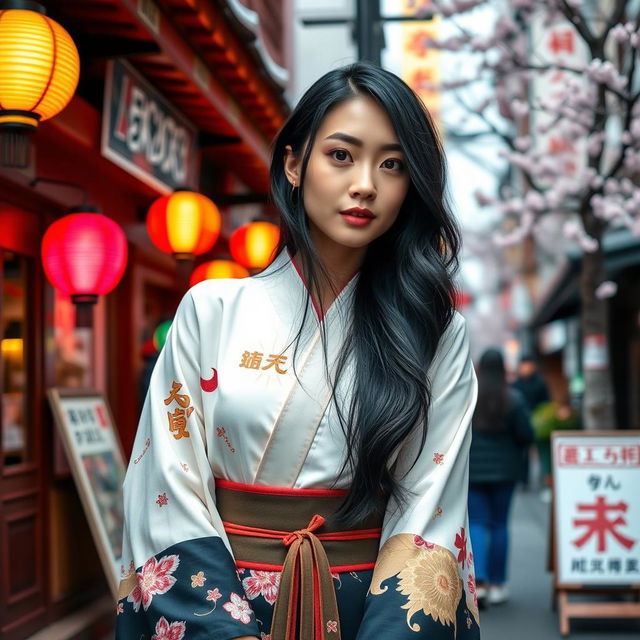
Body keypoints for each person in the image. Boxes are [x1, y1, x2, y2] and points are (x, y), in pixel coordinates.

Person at [116, 62, 480, 639]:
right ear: (293, 162)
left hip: (370, 609)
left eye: (393, 165)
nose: (365, 183)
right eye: (341, 155)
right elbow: (167, 481)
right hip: (221, 597)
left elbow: (428, 508)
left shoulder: (435, 332)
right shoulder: (210, 310)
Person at [468, 349, 533, 608]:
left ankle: (479, 584)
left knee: (477, 524)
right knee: (500, 525)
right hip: (506, 472)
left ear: (480, 369)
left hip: (473, 471)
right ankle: (497, 585)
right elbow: (526, 434)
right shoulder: (513, 398)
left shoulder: (469, 396)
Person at [511, 353, 550, 488]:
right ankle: (523, 480)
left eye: (528, 365)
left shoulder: (540, 383)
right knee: (523, 454)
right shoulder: (515, 384)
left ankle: (544, 480)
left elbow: (546, 403)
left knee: (542, 452)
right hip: (520, 423)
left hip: (539, 423)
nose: (526, 368)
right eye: (523, 365)